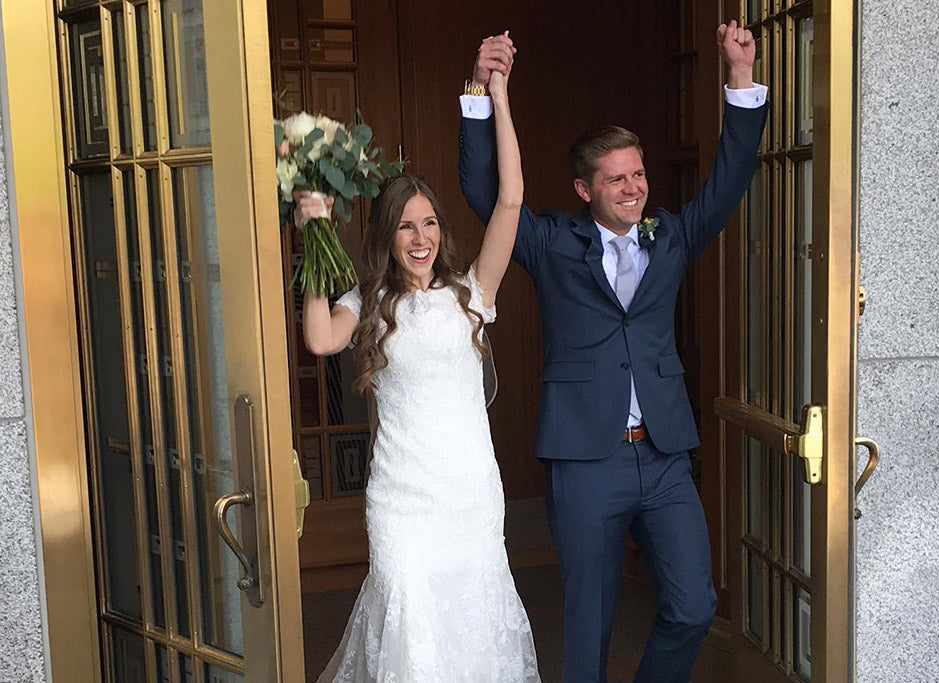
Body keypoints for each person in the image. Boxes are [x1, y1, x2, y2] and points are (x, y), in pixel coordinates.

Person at [458, 21, 768, 683]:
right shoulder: (548, 243)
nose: (634, 187)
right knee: (589, 625)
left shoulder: (674, 235)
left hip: (662, 455)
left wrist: (739, 78)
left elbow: (730, 179)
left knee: (691, 606)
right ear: (584, 189)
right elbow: (487, 195)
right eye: (617, 178)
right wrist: (482, 93)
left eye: (639, 173)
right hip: (584, 460)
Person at [305, 49, 540, 682]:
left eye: (430, 223)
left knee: (471, 623)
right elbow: (321, 339)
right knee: (409, 622)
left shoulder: (470, 295)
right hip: (402, 499)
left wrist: (499, 92)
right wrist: (311, 239)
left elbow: (511, 201)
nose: (420, 238)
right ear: (387, 235)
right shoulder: (368, 301)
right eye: (406, 226)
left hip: (469, 493)